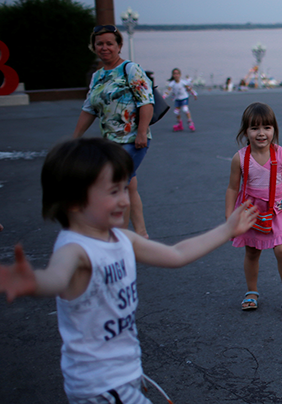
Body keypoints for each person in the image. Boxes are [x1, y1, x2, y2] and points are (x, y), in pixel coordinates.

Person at [0, 137, 258, 404]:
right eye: (113, 192)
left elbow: (177, 254)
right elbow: (56, 277)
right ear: (74, 201)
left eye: (125, 189)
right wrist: (33, 281)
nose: (125, 200)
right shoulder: (75, 249)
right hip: (99, 385)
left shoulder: (121, 238)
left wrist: (226, 229)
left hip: (123, 374)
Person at [225, 102, 282, 312]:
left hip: (278, 210)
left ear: (274, 129)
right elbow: (232, 188)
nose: (261, 133)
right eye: (254, 128)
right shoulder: (240, 158)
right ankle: (252, 291)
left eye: (267, 127)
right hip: (251, 211)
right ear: (245, 131)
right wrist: (229, 217)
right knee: (252, 251)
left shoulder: (281, 154)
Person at [74, 25, 153, 239]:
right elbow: (89, 108)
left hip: (132, 140)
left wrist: (142, 133)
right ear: (94, 47)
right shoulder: (98, 76)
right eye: (100, 43)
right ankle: (141, 235)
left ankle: (120, 236)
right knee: (129, 185)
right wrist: (74, 139)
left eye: (110, 43)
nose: (104, 47)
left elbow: (147, 102)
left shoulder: (130, 69)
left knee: (117, 184)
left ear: (119, 45)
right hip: (110, 142)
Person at [163, 68, 198, 132]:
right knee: (176, 112)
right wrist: (164, 96)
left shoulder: (183, 82)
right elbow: (168, 91)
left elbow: (189, 89)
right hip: (177, 99)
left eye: (177, 74)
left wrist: (194, 94)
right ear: (173, 75)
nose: (176, 75)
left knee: (185, 109)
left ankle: (190, 122)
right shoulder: (172, 83)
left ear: (180, 75)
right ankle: (179, 124)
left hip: (184, 98)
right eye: (174, 74)